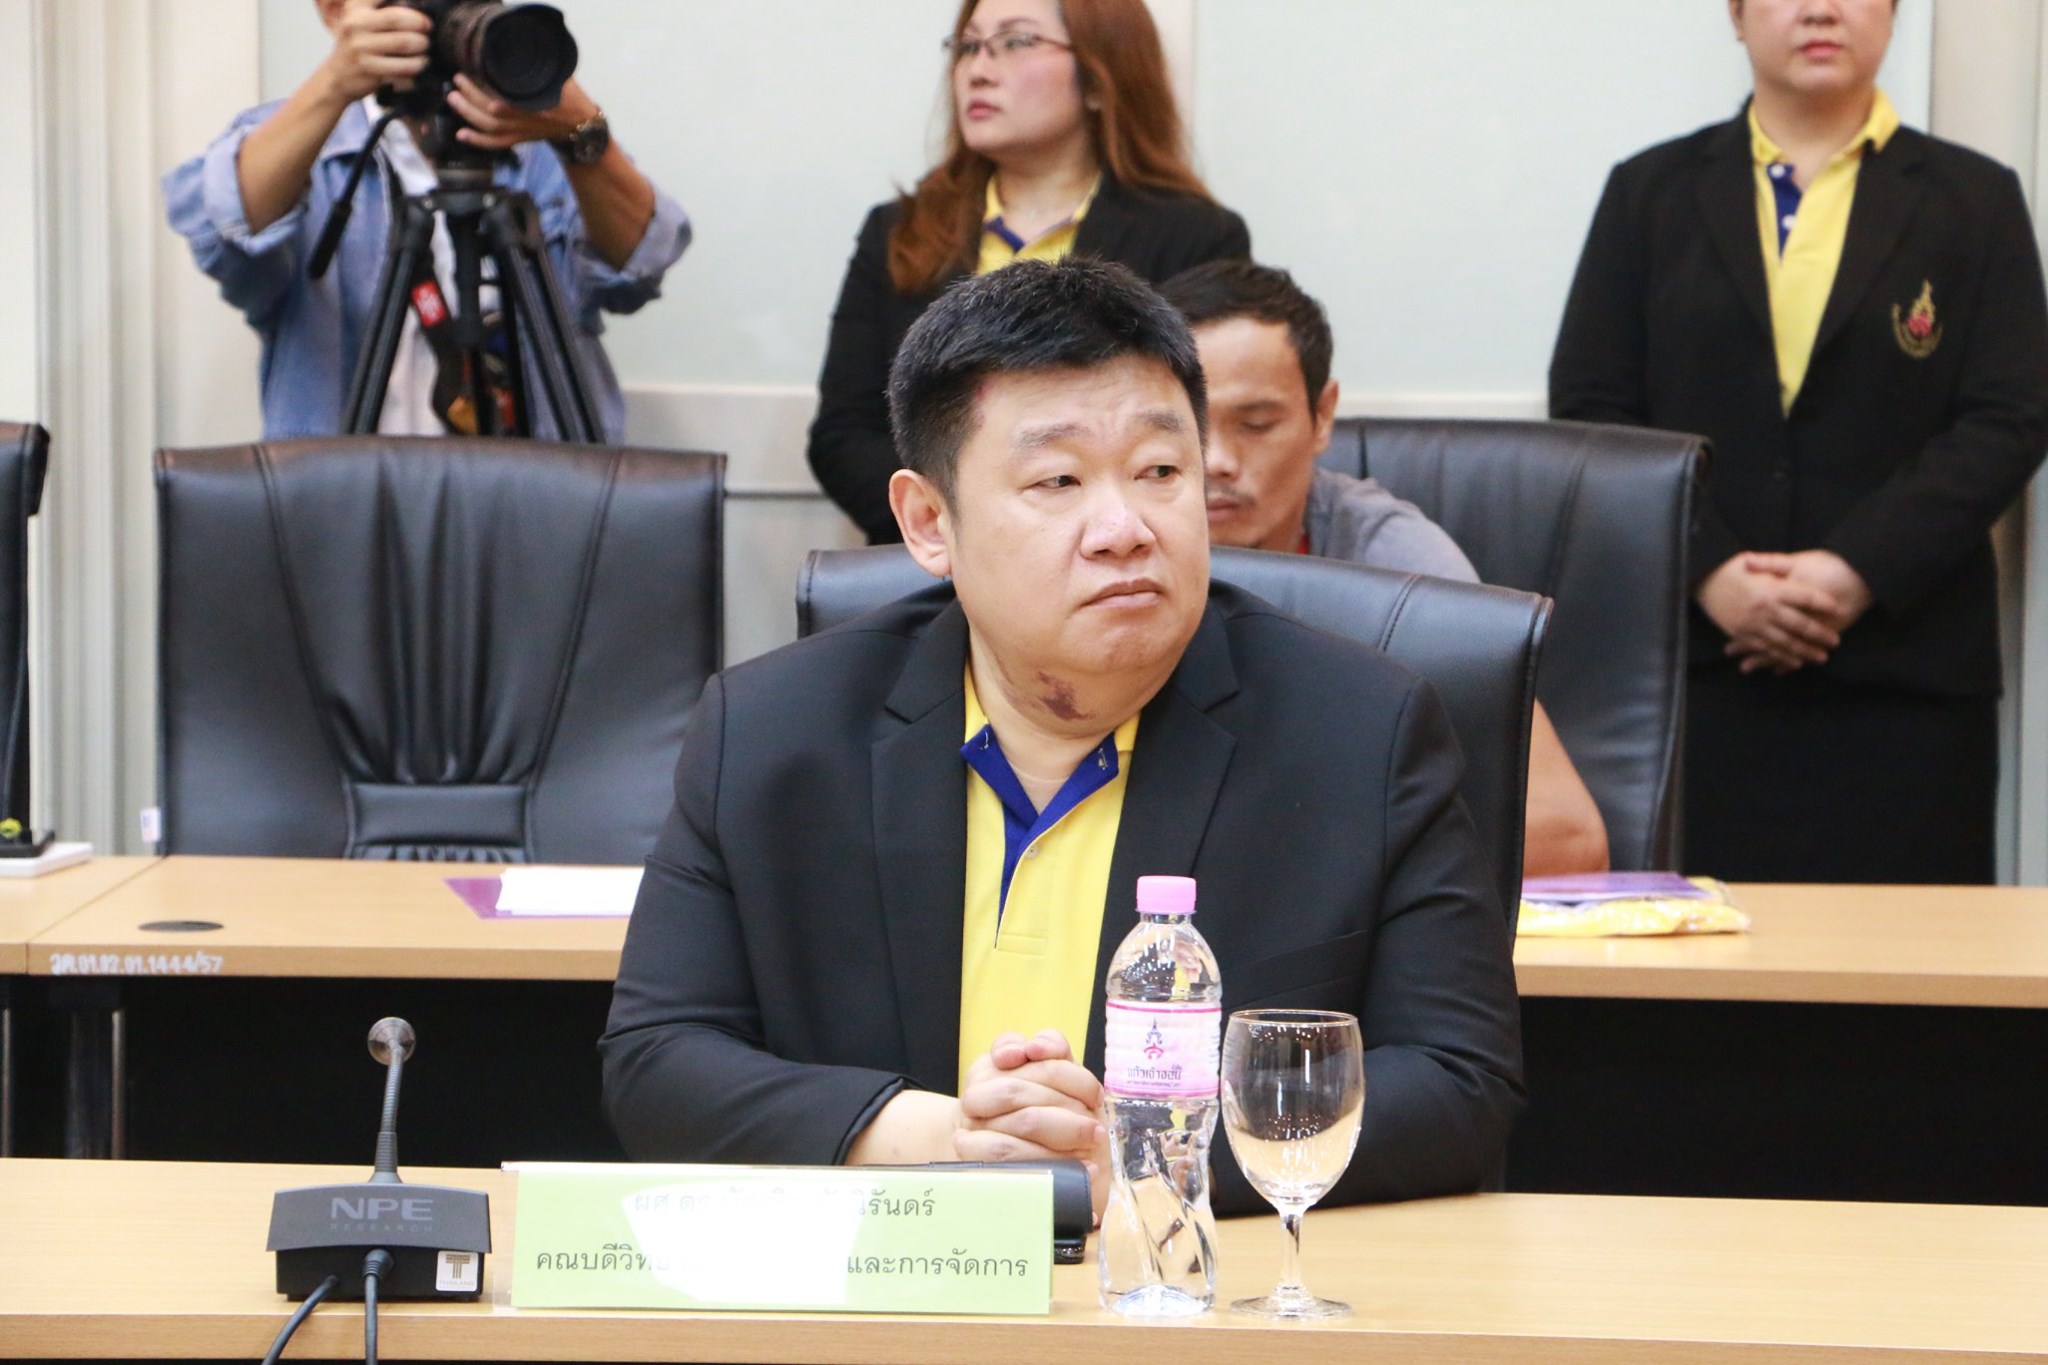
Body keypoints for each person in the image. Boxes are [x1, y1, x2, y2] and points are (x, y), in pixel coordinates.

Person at [603, 260, 1523, 1216]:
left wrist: (1140, 1152)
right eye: (1059, 479)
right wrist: (947, 1140)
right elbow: (658, 1060)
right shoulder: (771, 730)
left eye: (1161, 471)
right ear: (929, 522)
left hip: (1193, 1282)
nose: (1123, 528)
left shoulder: (1361, 732)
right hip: (890, 1278)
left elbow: (1460, 1079)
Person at [1550, 0, 2048, 883]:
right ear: (1737, 16)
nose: (1820, 9)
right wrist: (1710, 569)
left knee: (1914, 960)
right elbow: (1593, 404)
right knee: (1698, 956)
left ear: (1892, 15)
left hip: (1908, 682)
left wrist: (1855, 570)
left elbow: (2012, 415)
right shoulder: (1649, 192)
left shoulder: (1976, 198)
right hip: (1696, 673)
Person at [1159, 261, 1611, 878]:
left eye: (1256, 424)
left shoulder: (1400, 570)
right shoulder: (1103, 555)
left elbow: (1569, 836)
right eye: (1187, 425)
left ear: (1323, 416)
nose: (1216, 459)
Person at [806, 0, 1251, 544]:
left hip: (1115, 544)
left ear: (1099, 78)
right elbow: (843, 435)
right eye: (969, 46)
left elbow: (1193, 436)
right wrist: (973, 532)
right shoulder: (899, 229)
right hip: (934, 561)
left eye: (1015, 42)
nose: (978, 69)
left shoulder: (1195, 236)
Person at [163, 0, 690, 443]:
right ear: (334, 11)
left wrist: (580, 130)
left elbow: (643, 264)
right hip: (353, 512)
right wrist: (332, 85)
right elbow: (224, 231)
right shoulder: (297, 144)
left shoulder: (542, 144)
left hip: (534, 510)